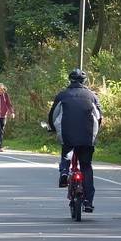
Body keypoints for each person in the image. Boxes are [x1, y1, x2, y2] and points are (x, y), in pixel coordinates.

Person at [47, 69, 103, 212]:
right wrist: (95, 132)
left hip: (68, 134)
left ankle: (65, 172)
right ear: (84, 81)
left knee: (67, 152)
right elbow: (99, 116)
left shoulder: (62, 95)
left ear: (70, 80)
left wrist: (53, 128)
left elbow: (53, 114)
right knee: (86, 166)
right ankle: (88, 201)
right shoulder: (92, 95)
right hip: (87, 136)